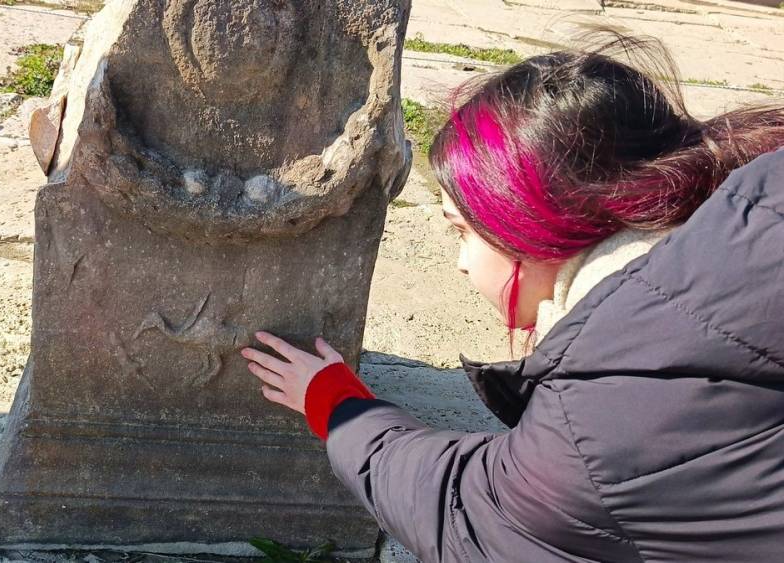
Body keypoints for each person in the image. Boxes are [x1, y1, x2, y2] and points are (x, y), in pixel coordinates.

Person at [239, 33, 784, 562]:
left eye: (462, 230)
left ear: (528, 222)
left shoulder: (608, 409)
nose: (461, 262)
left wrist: (336, 403)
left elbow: (470, 517)